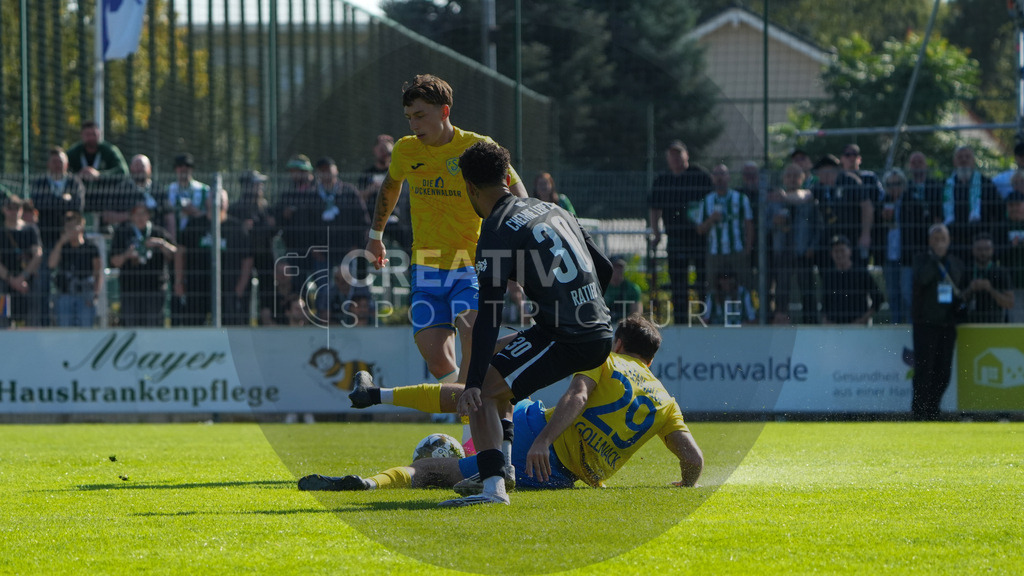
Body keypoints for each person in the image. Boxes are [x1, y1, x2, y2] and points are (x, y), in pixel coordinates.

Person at [383, 140, 613, 507]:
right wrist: (584, 307)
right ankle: (501, 466)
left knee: (483, 393)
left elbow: (490, 313)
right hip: (588, 326)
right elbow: (605, 267)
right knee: (496, 365)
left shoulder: (496, 229)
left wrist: (472, 384)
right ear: (506, 177)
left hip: (567, 335)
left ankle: (493, 489)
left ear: (470, 188)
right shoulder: (553, 208)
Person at [298, 315, 703, 493]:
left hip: (534, 438)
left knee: (481, 394)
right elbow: (693, 459)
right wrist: (686, 483)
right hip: (558, 478)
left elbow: (577, 396)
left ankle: (376, 401)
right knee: (444, 466)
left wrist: (544, 440)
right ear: (650, 360)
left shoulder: (605, 358)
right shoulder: (666, 402)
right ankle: (374, 479)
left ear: (618, 342)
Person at [364, 74, 528, 390]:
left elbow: (516, 188)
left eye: (420, 115)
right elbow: (391, 186)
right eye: (409, 117)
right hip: (426, 263)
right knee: (437, 359)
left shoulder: (477, 147)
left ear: (444, 111)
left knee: (472, 336)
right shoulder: (406, 150)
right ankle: (472, 401)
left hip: (471, 264)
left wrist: (523, 231)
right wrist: (375, 237)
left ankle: (472, 413)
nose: (414, 125)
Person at [650, 141, 713, 322]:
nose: (676, 158)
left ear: (687, 155)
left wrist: (707, 225)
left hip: (699, 238)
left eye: (679, 154)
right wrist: (657, 233)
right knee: (678, 282)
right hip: (675, 238)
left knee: (703, 279)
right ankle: (681, 321)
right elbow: (654, 208)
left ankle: (704, 318)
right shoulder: (662, 180)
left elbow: (712, 201)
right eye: (672, 155)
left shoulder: (700, 175)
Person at [174, 188, 254, 326]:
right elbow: (180, 253)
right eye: (214, 198)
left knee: (228, 328)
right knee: (193, 326)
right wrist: (179, 281)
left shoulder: (236, 228)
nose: (218, 202)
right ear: (207, 202)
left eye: (221, 199)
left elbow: (247, 260)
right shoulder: (194, 224)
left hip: (227, 289)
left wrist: (240, 288)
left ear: (227, 203)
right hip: (197, 288)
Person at [911, 224, 966, 420]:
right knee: (924, 370)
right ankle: (919, 412)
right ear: (929, 241)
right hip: (925, 324)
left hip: (947, 325)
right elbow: (922, 279)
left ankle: (933, 410)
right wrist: (935, 261)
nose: (939, 243)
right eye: (935, 239)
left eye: (943, 239)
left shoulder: (955, 263)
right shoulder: (921, 260)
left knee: (943, 372)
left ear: (949, 241)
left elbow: (959, 283)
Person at [30, 146, 86, 326]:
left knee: (70, 285)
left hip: (70, 243)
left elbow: (77, 205)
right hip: (46, 241)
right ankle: (43, 325)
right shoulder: (40, 183)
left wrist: (53, 203)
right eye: (54, 162)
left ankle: (70, 324)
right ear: (48, 164)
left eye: (60, 162)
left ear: (66, 164)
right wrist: (64, 200)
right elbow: (39, 203)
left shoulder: (74, 182)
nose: (57, 165)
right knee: (43, 284)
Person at [876, 168, 933, 324]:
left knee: (907, 293)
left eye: (897, 184)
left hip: (908, 258)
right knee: (893, 294)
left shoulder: (913, 203)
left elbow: (921, 232)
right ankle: (896, 324)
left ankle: (910, 325)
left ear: (904, 184)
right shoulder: (882, 204)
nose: (894, 188)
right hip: (889, 256)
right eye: (890, 185)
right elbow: (876, 231)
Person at [767, 162, 821, 324]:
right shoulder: (773, 200)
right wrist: (774, 222)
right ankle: (782, 325)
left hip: (802, 252)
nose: (792, 179)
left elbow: (818, 226)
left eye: (796, 176)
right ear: (783, 178)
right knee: (782, 292)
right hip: (782, 253)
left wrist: (812, 247)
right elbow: (764, 225)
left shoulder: (809, 198)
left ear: (802, 178)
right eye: (789, 176)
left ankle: (810, 325)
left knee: (807, 291)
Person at [110, 202, 176, 327]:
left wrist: (162, 244)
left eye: (143, 213)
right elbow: (113, 261)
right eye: (137, 214)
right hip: (130, 289)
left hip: (154, 289)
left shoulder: (158, 232)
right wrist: (126, 255)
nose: (140, 217)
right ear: (131, 216)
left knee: (153, 326)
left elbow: (175, 254)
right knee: (131, 326)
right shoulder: (122, 233)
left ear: (149, 215)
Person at [695, 164, 754, 291]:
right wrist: (711, 219)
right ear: (712, 178)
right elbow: (700, 230)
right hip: (715, 253)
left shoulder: (741, 199)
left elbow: (749, 225)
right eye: (716, 175)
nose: (719, 178)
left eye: (722, 174)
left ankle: (744, 305)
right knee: (713, 289)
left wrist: (747, 249)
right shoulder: (706, 201)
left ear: (728, 177)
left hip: (737, 251)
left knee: (743, 287)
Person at [229, 170, 276, 324]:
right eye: (257, 184)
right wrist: (241, 228)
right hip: (243, 258)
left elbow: (273, 232)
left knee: (267, 290)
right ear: (247, 186)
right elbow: (231, 233)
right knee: (243, 289)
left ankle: (266, 322)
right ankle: (243, 322)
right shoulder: (236, 209)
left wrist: (272, 226)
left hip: (265, 256)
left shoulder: (265, 208)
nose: (260, 186)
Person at [941, 145, 1002, 263]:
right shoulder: (945, 185)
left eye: (967, 157)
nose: (964, 160)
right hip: (954, 241)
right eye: (960, 157)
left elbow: (997, 212)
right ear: (954, 162)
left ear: (973, 161)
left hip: (979, 241)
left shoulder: (986, 183)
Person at [813, 154, 873, 266]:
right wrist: (786, 196)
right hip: (831, 236)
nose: (819, 176)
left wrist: (865, 234)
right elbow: (806, 196)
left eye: (821, 172)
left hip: (853, 235)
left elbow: (866, 206)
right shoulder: (819, 187)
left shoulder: (850, 180)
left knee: (855, 268)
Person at [48, 211, 102, 327]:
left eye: (73, 226)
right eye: (67, 227)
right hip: (65, 294)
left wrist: (95, 295)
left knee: (85, 329)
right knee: (65, 329)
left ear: (81, 227)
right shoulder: (62, 247)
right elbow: (51, 264)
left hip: (85, 295)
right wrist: (60, 243)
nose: (70, 230)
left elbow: (98, 273)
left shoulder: (91, 247)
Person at [819, 235, 884, 325]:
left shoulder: (861, 273)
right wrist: (826, 321)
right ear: (831, 254)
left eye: (842, 250)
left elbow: (878, 299)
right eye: (836, 251)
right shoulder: (829, 275)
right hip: (834, 327)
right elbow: (824, 303)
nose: (839, 254)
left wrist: (864, 319)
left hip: (857, 326)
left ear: (850, 251)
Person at [0, 195, 43, 328]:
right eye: (10, 208)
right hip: (4, 281)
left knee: (32, 314)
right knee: (2, 314)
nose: (13, 211)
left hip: (27, 280)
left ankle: (32, 335)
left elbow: (38, 254)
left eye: (17, 208)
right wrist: (12, 280)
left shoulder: (31, 229)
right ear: (3, 210)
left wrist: (23, 277)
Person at [961, 232, 1014, 323]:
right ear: (973, 250)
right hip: (968, 324)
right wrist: (970, 289)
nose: (983, 253)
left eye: (987, 249)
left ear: (992, 250)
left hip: (994, 323)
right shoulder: (965, 270)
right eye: (979, 249)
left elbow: (1010, 303)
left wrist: (990, 289)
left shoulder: (1001, 272)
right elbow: (956, 301)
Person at [65, 120, 129, 185]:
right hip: (78, 189)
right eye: (88, 135)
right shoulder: (74, 152)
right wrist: (77, 175)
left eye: (94, 134)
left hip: (105, 189)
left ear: (99, 134)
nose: (91, 138)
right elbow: (63, 169)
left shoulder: (109, 150)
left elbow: (123, 171)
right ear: (82, 135)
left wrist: (99, 175)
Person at [165, 153, 210, 241]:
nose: (184, 169)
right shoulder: (168, 190)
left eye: (187, 166)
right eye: (180, 166)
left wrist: (196, 212)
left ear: (192, 168)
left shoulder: (204, 190)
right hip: (174, 236)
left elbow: (211, 214)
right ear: (176, 169)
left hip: (197, 237)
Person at [995, 187, 1024, 322]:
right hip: (1011, 284)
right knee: (1016, 320)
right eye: (1011, 205)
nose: (1014, 208)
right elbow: (995, 253)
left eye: (1018, 205)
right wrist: (1011, 246)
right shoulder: (1001, 227)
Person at [906, 150, 945, 222]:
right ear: (909, 166)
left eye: (920, 162)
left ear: (926, 165)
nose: (917, 165)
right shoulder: (905, 187)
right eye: (913, 163)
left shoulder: (936, 186)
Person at [604, 257, 642, 324]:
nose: (617, 270)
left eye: (620, 267)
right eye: (615, 267)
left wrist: (625, 323)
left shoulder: (632, 288)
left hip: (624, 325)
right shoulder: (601, 287)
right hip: (605, 324)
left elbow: (636, 313)